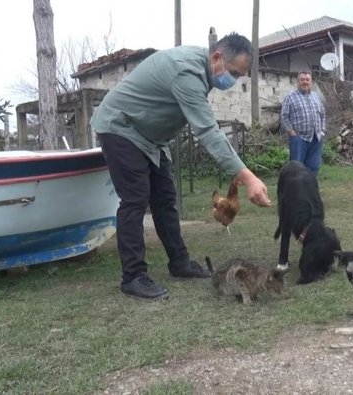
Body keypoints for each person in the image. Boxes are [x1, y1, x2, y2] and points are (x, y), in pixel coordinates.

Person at [90, 32, 272, 302]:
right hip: (121, 126)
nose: (232, 81)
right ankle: (133, 277)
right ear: (217, 57)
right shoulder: (186, 72)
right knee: (135, 198)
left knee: (165, 198)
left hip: (151, 138)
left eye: (239, 76)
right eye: (233, 73)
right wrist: (247, 176)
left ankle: (180, 263)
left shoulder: (205, 70)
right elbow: (208, 132)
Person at [280, 71, 326, 175]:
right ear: (298, 81)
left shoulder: (316, 97)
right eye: (302, 80)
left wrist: (322, 130)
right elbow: (284, 116)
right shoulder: (290, 97)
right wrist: (290, 131)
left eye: (307, 80)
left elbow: (323, 114)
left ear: (311, 82)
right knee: (296, 168)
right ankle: (296, 190)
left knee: (314, 167)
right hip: (299, 139)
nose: (305, 82)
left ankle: (309, 190)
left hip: (316, 138)